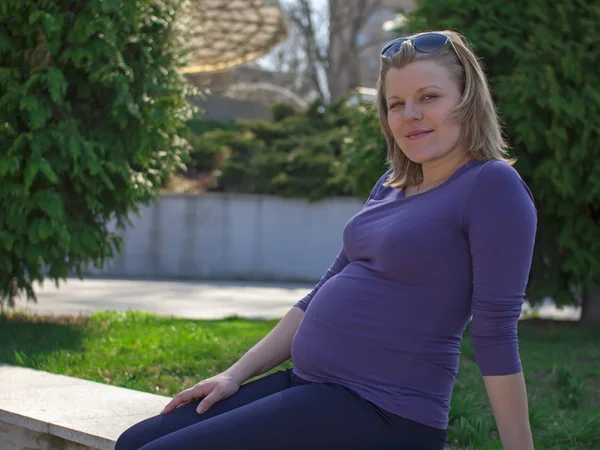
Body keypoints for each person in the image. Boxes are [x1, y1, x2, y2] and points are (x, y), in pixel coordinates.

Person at [115, 30, 537, 450]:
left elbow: (495, 334)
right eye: (396, 104)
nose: (410, 114)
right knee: (133, 442)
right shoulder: (390, 186)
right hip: (309, 386)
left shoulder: (491, 186)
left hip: (383, 413)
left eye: (429, 97)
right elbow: (319, 294)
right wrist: (234, 374)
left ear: (467, 100)